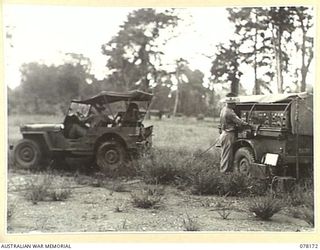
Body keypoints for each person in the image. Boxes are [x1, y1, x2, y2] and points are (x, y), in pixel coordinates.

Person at [219, 93, 250, 173]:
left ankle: (224, 171)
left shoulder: (223, 109)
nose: (235, 105)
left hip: (224, 133)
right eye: (234, 104)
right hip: (229, 134)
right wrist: (248, 125)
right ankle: (225, 173)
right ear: (231, 104)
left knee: (225, 154)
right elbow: (240, 122)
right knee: (227, 155)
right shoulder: (230, 112)